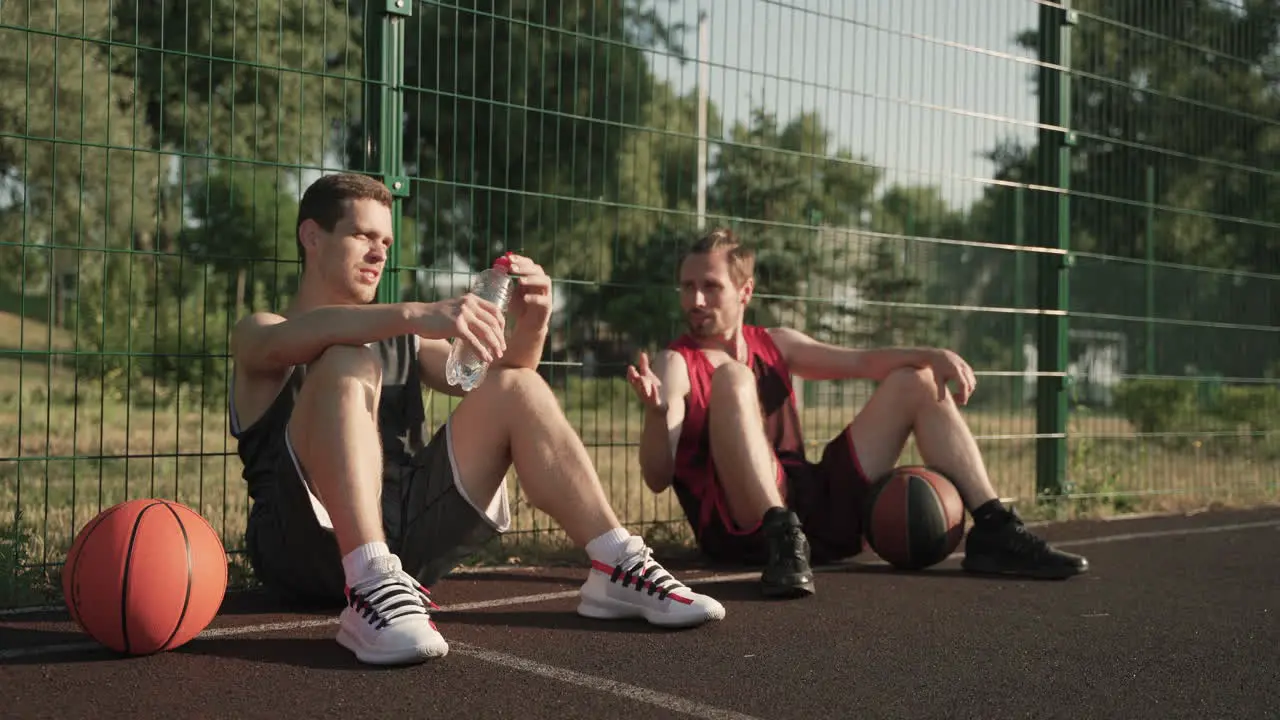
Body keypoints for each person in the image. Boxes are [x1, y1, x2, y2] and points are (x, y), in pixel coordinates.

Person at [228, 173, 725, 666]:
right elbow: (287, 343)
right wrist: (414, 312)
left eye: (385, 240)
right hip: (299, 548)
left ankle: (616, 562)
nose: (379, 253)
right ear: (312, 236)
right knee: (347, 358)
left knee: (519, 386)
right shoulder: (262, 331)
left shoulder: (403, 335)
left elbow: (501, 386)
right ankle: (367, 577)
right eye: (362, 235)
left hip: (407, 546)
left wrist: (534, 322)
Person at [627, 228, 1089, 598]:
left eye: (710, 286)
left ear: (745, 291)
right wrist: (655, 415)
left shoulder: (776, 344)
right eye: (687, 287)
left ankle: (994, 530)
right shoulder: (675, 365)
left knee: (916, 380)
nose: (696, 301)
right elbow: (656, 476)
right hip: (747, 531)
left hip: (813, 511)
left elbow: (863, 362)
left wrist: (933, 354)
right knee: (732, 378)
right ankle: (783, 540)